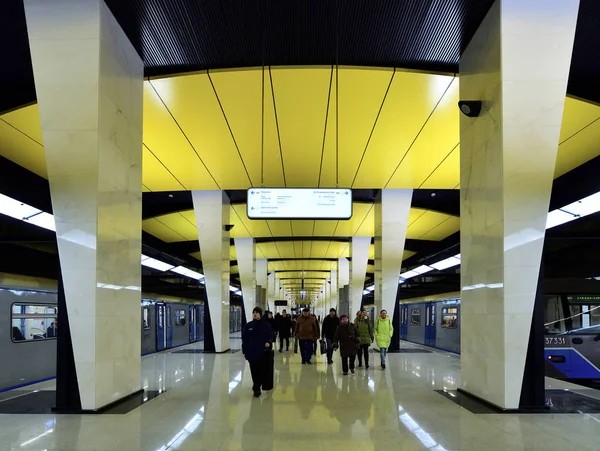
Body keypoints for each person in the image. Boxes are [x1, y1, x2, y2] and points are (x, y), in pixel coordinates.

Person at [242, 307, 273, 397]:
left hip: (262, 352)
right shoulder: (248, 326)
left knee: (261, 370)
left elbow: (270, 335)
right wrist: (245, 351)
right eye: (254, 312)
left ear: (260, 314)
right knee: (254, 370)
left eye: (257, 312)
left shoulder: (266, 325)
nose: (255, 314)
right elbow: (244, 339)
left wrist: (268, 342)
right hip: (251, 352)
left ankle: (258, 384)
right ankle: (256, 387)